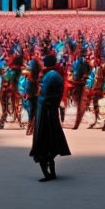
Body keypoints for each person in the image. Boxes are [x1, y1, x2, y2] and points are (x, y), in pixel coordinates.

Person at [30, 53, 70, 181]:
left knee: (43, 142)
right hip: (53, 111)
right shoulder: (57, 75)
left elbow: (41, 93)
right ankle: (51, 171)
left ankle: (48, 174)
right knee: (52, 139)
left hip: (44, 112)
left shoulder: (48, 76)